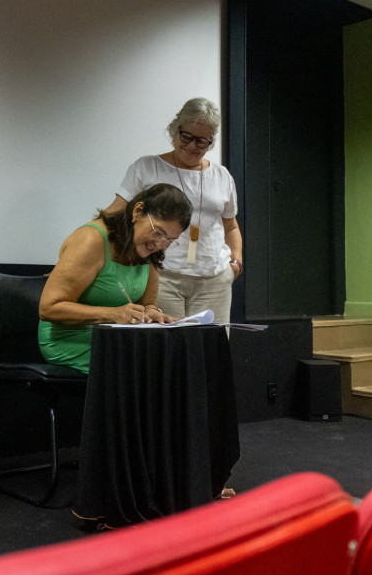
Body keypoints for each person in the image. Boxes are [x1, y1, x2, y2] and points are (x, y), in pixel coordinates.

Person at [105, 98, 242, 324]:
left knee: (210, 351)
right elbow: (114, 214)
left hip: (213, 279)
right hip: (161, 275)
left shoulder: (222, 176)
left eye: (202, 141)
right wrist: (80, 250)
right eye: (186, 136)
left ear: (211, 142)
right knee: (168, 349)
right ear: (174, 130)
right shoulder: (147, 167)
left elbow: (231, 226)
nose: (191, 146)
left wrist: (235, 264)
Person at [39, 183, 193, 374]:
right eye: (158, 232)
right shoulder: (91, 241)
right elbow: (48, 308)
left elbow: (148, 304)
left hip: (116, 338)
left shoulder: (149, 250)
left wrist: (152, 313)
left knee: (179, 356)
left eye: (169, 240)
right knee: (152, 365)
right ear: (138, 211)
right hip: (69, 339)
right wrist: (112, 315)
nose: (159, 244)